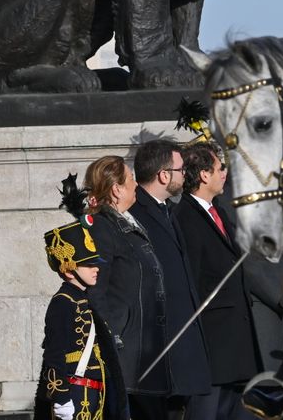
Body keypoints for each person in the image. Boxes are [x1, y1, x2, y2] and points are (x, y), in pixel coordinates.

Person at [174, 143, 259, 420]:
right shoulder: (184, 218)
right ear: (204, 176)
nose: (225, 173)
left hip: (238, 349)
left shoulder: (220, 211)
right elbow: (190, 285)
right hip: (212, 351)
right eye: (220, 168)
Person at [81, 155, 169, 420]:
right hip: (126, 356)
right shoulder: (102, 229)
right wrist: (114, 337)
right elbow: (95, 291)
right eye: (131, 179)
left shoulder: (128, 223)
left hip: (147, 352)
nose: (136, 185)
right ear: (117, 189)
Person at [128, 141, 212, 415]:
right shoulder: (134, 214)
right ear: (163, 175)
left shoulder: (167, 210)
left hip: (181, 347)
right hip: (159, 350)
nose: (184, 175)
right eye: (180, 169)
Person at [35, 215, 128, 420]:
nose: (97, 268)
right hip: (75, 393)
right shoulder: (62, 302)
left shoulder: (86, 300)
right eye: (88, 265)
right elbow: (54, 355)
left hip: (96, 392)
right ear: (68, 270)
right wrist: (60, 398)